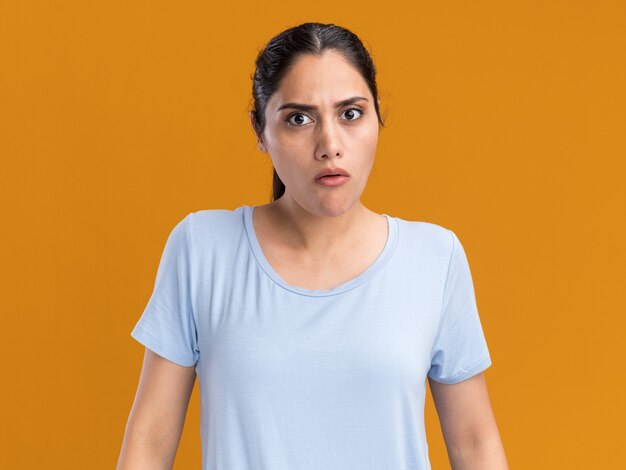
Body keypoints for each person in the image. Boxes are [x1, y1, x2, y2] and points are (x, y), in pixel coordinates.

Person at [117, 22, 509, 470]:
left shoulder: (435, 258)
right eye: (299, 119)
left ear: (377, 116)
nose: (330, 145)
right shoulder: (202, 249)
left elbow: (475, 444)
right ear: (260, 131)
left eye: (350, 114)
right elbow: (149, 441)